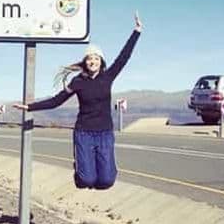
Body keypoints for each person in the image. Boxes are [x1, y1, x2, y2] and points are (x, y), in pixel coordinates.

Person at [13, 13, 144, 189]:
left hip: (105, 133)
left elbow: (123, 57)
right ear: (85, 62)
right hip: (84, 133)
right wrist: (30, 107)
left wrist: (136, 32)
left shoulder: (108, 77)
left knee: (106, 181)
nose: (93, 61)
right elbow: (57, 101)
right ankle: (80, 170)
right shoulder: (78, 82)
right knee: (86, 180)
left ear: (101, 62)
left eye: (96, 58)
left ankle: (102, 170)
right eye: (89, 58)